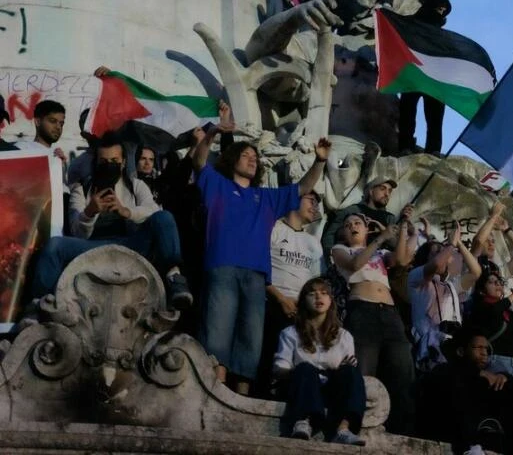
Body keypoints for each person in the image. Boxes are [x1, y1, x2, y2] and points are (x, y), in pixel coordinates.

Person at [191, 122, 330, 396]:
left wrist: (319, 161)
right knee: (217, 334)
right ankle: (215, 393)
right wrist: (213, 133)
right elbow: (199, 160)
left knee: (250, 340)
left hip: (256, 276)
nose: (253, 160)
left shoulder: (266, 197)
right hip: (222, 267)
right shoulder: (216, 185)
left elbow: (303, 188)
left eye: (256, 158)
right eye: (246, 156)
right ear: (231, 160)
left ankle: (242, 399)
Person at [30, 132, 193, 309]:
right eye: (104, 162)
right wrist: (89, 212)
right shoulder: (82, 189)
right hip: (92, 247)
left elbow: (153, 211)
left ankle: (174, 278)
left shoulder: (135, 185)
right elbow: (76, 231)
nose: (109, 166)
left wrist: (126, 211)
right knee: (55, 245)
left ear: (123, 163)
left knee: (164, 217)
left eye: (115, 161)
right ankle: (38, 303)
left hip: (130, 244)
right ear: (96, 163)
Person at [332, 212, 416, 435]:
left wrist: (403, 226)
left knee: (401, 371)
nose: (352, 226)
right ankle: (351, 427)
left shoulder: (380, 253)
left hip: (389, 313)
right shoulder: (341, 250)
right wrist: (379, 238)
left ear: (366, 228)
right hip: (362, 310)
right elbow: (354, 264)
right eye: (348, 224)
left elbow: (401, 260)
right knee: (362, 372)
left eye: (357, 222)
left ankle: (401, 431)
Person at [273, 277, 366, 446]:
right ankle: (303, 422)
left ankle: (343, 429)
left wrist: (343, 368)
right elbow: (279, 369)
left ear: (331, 300)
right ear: (303, 300)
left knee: (351, 372)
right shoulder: (290, 333)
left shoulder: (344, 336)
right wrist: (299, 371)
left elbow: (346, 370)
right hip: (301, 387)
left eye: (324, 293)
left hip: (330, 389)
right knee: (306, 369)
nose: (318, 297)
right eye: (312, 294)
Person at [258, 189, 324, 394]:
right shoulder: (273, 229)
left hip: (303, 311)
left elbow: (316, 282)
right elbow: (258, 269)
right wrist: (280, 299)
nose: (315, 206)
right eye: (311, 200)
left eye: (317, 203)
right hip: (271, 303)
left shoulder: (313, 242)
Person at [420, 328, 513, 455]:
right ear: (461, 351)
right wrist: (476, 373)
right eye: (478, 348)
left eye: (486, 349)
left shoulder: (491, 377)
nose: (484, 353)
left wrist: (505, 377)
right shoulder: (444, 371)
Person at [407, 221, 482, 371]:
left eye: (444, 251)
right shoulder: (416, 278)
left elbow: (476, 272)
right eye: (436, 251)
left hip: (453, 346)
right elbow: (435, 264)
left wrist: (459, 243)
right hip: (430, 349)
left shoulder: (450, 285)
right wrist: (450, 245)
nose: (443, 253)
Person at [397, 0, 453, 156]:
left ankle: (433, 150)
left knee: (435, 117)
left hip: (434, 78)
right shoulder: (411, 24)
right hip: (413, 73)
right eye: (439, 8)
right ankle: (405, 146)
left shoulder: (442, 35)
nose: (441, 12)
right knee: (407, 112)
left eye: (444, 10)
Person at [466, 269, 513, 377]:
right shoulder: (481, 307)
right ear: (481, 290)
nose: (497, 284)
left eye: (499, 282)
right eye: (491, 282)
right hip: (495, 363)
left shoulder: (507, 310)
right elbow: (494, 311)